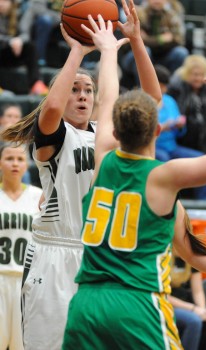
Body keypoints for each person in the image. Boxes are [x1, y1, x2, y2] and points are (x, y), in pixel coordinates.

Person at [62, 30, 206, 349]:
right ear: (158, 130)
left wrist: (108, 52)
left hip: (86, 305)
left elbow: (108, 97)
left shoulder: (103, 159)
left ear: (114, 131)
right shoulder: (163, 176)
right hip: (137, 305)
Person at [1, 0, 161, 348]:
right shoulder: (54, 134)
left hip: (98, 258)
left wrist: (135, 42)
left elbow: (152, 101)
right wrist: (77, 51)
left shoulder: (105, 133)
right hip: (53, 256)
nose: (83, 95)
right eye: (75, 88)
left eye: (88, 89)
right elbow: (53, 106)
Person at [0, 142, 43, 350]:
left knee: (23, 346)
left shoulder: (38, 197)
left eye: (19, 159)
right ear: (0, 163)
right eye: (9, 158)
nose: (15, 163)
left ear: (27, 165)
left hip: (26, 283)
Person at [154, 64, 206, 200]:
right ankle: (169, 202)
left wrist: (180, 126)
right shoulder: (144, 100)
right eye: (160, 85)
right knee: (165, 161)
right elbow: (139, 134)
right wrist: (163, 127)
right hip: (153, 148)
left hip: (172, 147)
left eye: (165, 86)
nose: (163, 89)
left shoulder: (169, 101)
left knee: (202, 160)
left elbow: (180, 132)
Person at [120, 0, 189, 87]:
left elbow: (179, 40)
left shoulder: (172, 15)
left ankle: (168, 89)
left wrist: (147, 39)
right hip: (132, 56)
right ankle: (144, 89)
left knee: (181, 52)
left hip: (163, 56)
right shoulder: (138, 13)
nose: (157, 1)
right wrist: (161, 39)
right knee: (144, 50)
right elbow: (135, 39)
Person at [169, 250, 206, 350]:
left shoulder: (191, 259)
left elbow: (198, 291)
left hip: (190, 306)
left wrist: (203, 309)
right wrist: (193, 308)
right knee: (194, 321)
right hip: (168, 305)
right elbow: (163, 295)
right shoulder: (162, 259)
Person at [168, 54, 206, 153]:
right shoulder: (177, 89)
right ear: (187, 73)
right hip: (182, 142)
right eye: (195, 74)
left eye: (202, 74)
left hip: (205, 142)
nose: (198, 78)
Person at [0, 0, 48, 95]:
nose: (1, 3)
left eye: (5, 1)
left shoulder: (18, 14)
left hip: (12, 53)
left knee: (30, 47)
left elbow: (25, 34)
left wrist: (19, 41)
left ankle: (35, 83)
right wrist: (10, 41)